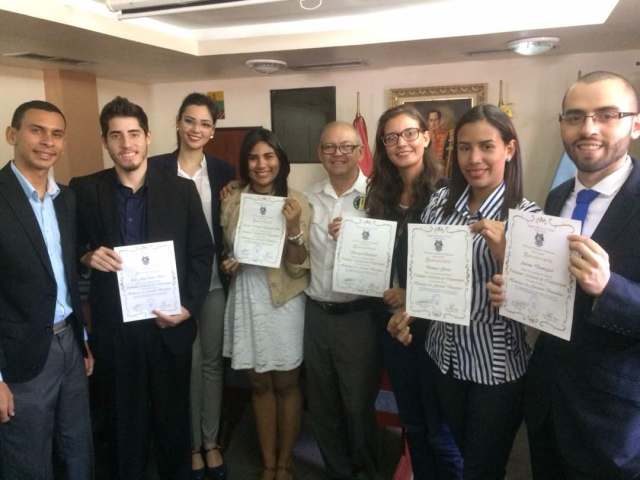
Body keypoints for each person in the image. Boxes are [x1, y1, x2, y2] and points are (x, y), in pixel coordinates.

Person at [488, 71, 640, 479]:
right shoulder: (557, 196)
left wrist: (609, 288)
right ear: (562, 125)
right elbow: (557, 291)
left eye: (607, 115)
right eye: (575, 116)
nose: (588, 128)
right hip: (547, 401)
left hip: (612, 418)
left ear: (635, 123)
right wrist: (518, 290)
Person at [390, 104, 540, 479]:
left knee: (482, 467)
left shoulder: (528, 218)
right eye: (464, 148)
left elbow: (541, 308)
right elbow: (425, 277)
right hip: (444, 358)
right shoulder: (440, 205)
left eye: (486, 147)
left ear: (509, 149)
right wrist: (408, 309)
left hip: (495, 370)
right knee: (454, 448)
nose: (474, 159)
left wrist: (509, 257)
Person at [70, 96, 213, 480]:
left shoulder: (181, 192)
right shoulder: (84, 190)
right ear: (105, 142)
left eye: (134, 133)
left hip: (169, 326)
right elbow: (70, 248)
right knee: (121, 429)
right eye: (116, 135)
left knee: (172, 425)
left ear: (148, 137)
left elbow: (202, 253)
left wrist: (190, 308)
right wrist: (87, 256)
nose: (126, 143)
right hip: (115, 334)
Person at [0, 100, 93, 478]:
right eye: (36, 130)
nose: (47, 141)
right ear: (12, 134)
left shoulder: (67, 199)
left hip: (69, 345)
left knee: (77, 447)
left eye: (56, 134)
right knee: (28, 459)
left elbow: (66, 278)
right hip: (19, 357)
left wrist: (83, 340)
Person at [367, 104, 461, 479]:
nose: (400, 143)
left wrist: (412, 296)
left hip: (434, 330)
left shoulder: (448, 194)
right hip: (393, 328)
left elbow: (456, 267)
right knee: (414, 426)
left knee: (442, 431)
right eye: (391, 137)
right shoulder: (381, 193)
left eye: (409, 133)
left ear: (426, 137)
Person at [151, 92, 234, 480]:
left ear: (213, 131)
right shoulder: (154, 170)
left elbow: (233, 224)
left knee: (211, 364)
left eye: (205, 124)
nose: (196, 129)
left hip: (214, 283)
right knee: (185, 364)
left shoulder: (223, 171)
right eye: (190, 121)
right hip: (172, 287)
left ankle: (211, 440)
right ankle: (188, 443)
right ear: (178, 123)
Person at [220, 128, 310, 480]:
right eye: (254, 157)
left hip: (284, 299)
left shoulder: (298, 200)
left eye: (269, 156)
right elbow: (228, 250)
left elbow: (300, 262)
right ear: (245, 162)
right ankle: (267, 463)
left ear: (280, 160)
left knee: (286, 384)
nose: (261, 164)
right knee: (258, 385)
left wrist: (292, 227)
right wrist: (230, 262)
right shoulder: (231, 198)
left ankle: (285, 463)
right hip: (247, 296)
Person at [304, 121, 380, 480]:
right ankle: (337, 471)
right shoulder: (307, 197)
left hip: (358, 317)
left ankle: (365, 469)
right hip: (316, 314)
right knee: (321, 404)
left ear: (360, 152)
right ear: (320, 152)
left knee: (357, 403)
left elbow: (390, 252)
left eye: (346, 147)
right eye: (330, 147)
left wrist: (359, 239)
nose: (338, 153)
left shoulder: (378, 196)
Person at [427, 109, 453, 177]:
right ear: (428, 121)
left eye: (436, 120)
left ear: (440, 120)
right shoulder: (424, 136)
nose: (433, 123)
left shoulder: (448, 135)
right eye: (431, 120)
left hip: (444, 171)